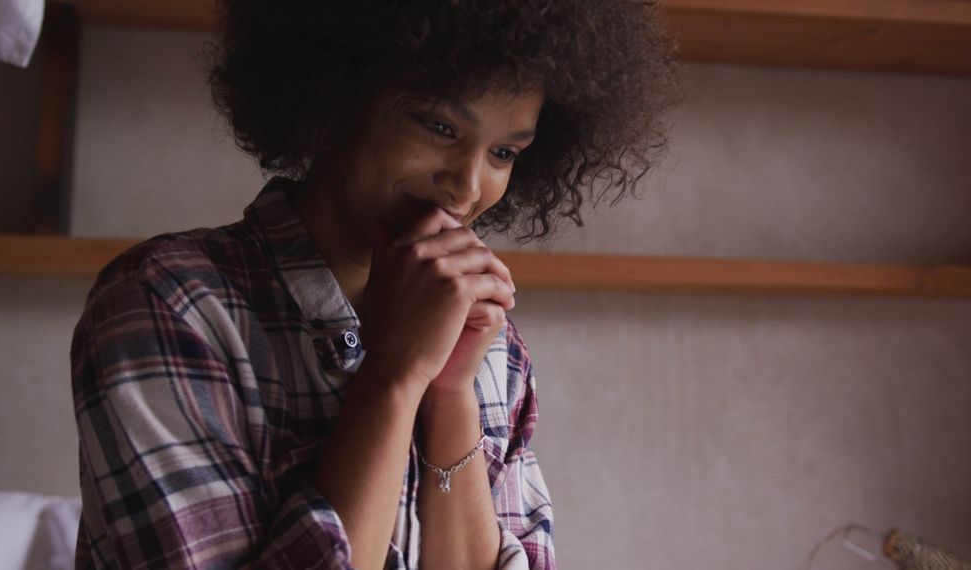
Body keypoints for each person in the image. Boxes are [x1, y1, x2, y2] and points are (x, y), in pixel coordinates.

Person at [70, 1, 677, 568]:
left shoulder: (493, 350)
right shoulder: (169, 304)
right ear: (335, 97)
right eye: (439, 127)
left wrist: (446, 396)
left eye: (503, 153)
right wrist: (393, 374)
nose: (467, 188)